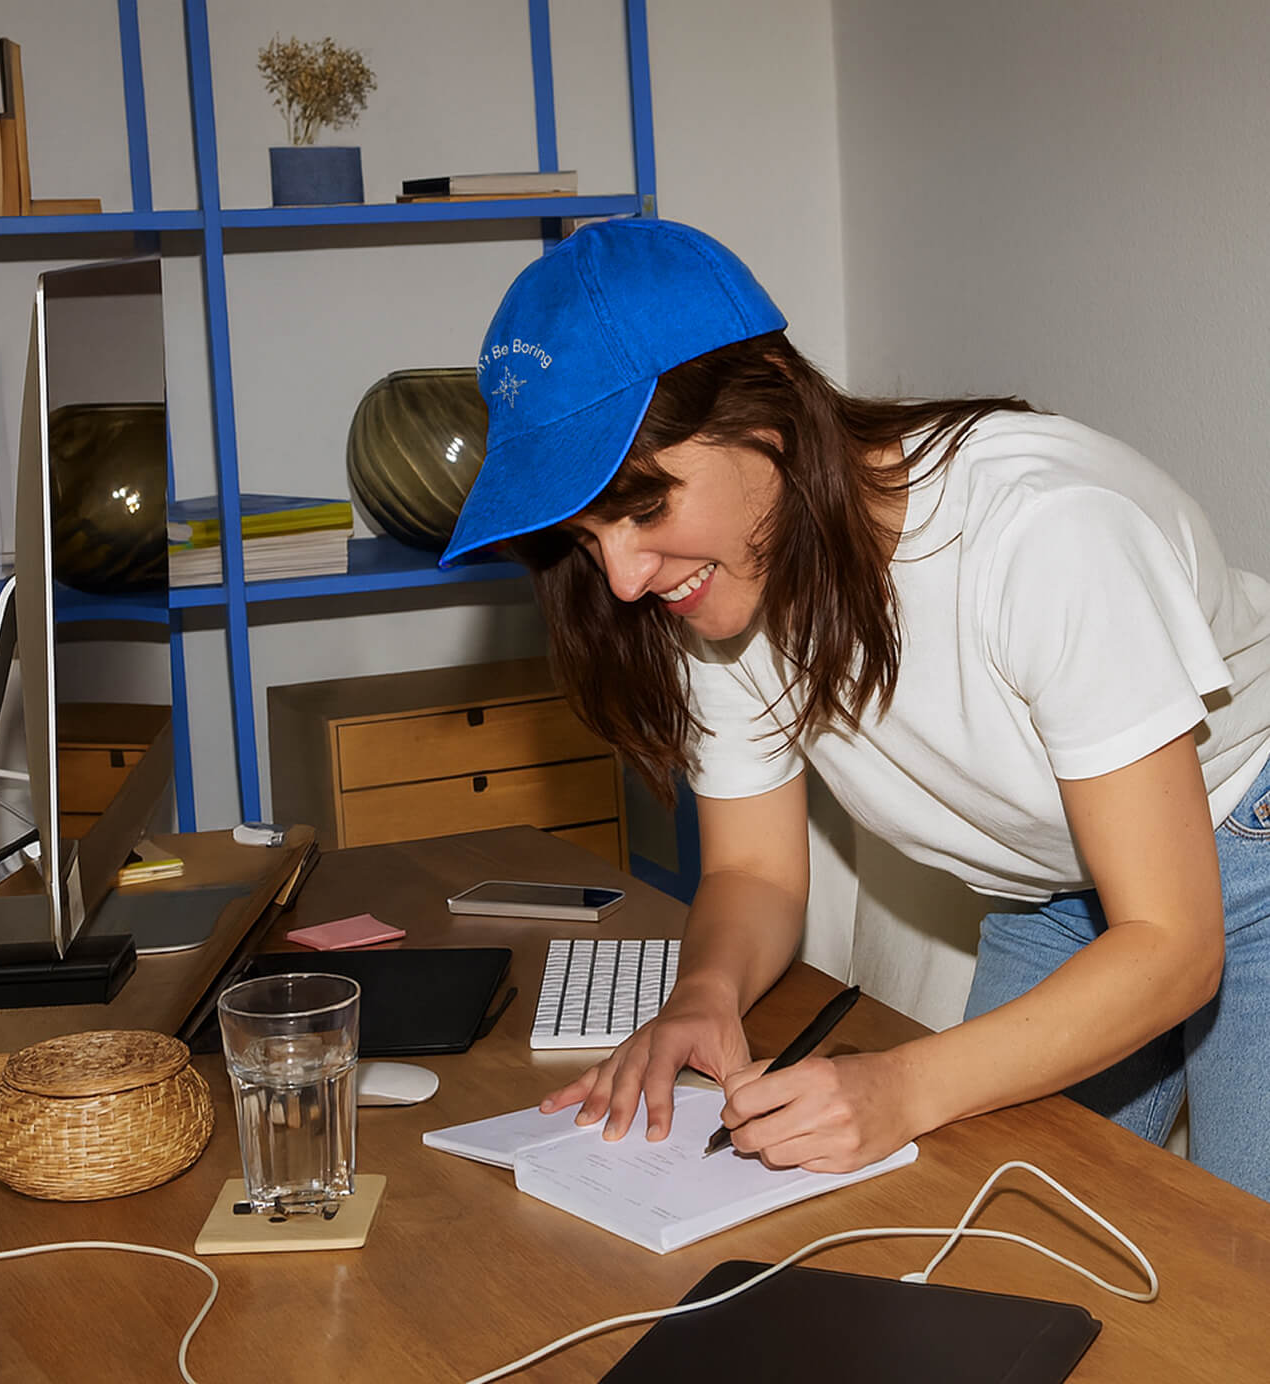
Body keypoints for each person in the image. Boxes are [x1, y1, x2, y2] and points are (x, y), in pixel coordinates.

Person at [440, 219, 1270, 1202]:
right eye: (584, 538)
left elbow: (1171, 944)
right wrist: (701, 996)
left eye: (645, 505)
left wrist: (901, 1083)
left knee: (1237, 1263)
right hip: (1052, 889)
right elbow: (751, 866)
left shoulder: (1044, 533)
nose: (620, 577)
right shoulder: (710, 583)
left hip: (1244, 851)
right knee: (1000, 1248)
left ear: (769, 417)